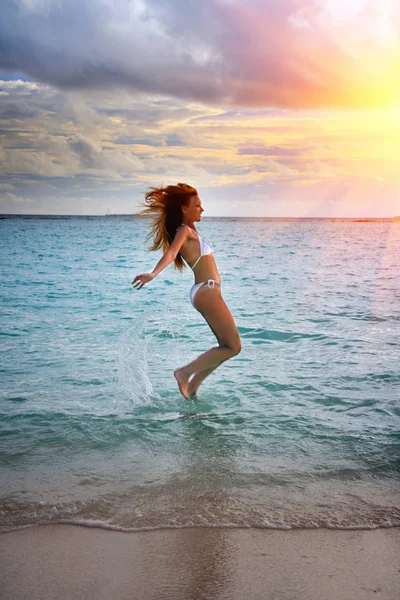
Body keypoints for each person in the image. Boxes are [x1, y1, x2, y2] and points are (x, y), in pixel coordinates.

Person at [132, 183, 241, 400]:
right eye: (197, 205)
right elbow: (172, 254)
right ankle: (184, 374)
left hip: (206, 292)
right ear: (184, 208)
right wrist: (153, 274)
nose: (202, 209)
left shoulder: (191, 230)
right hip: (207, 291)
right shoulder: (184, 230)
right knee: (234, 347)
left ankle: (192, 387)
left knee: (226, 346)